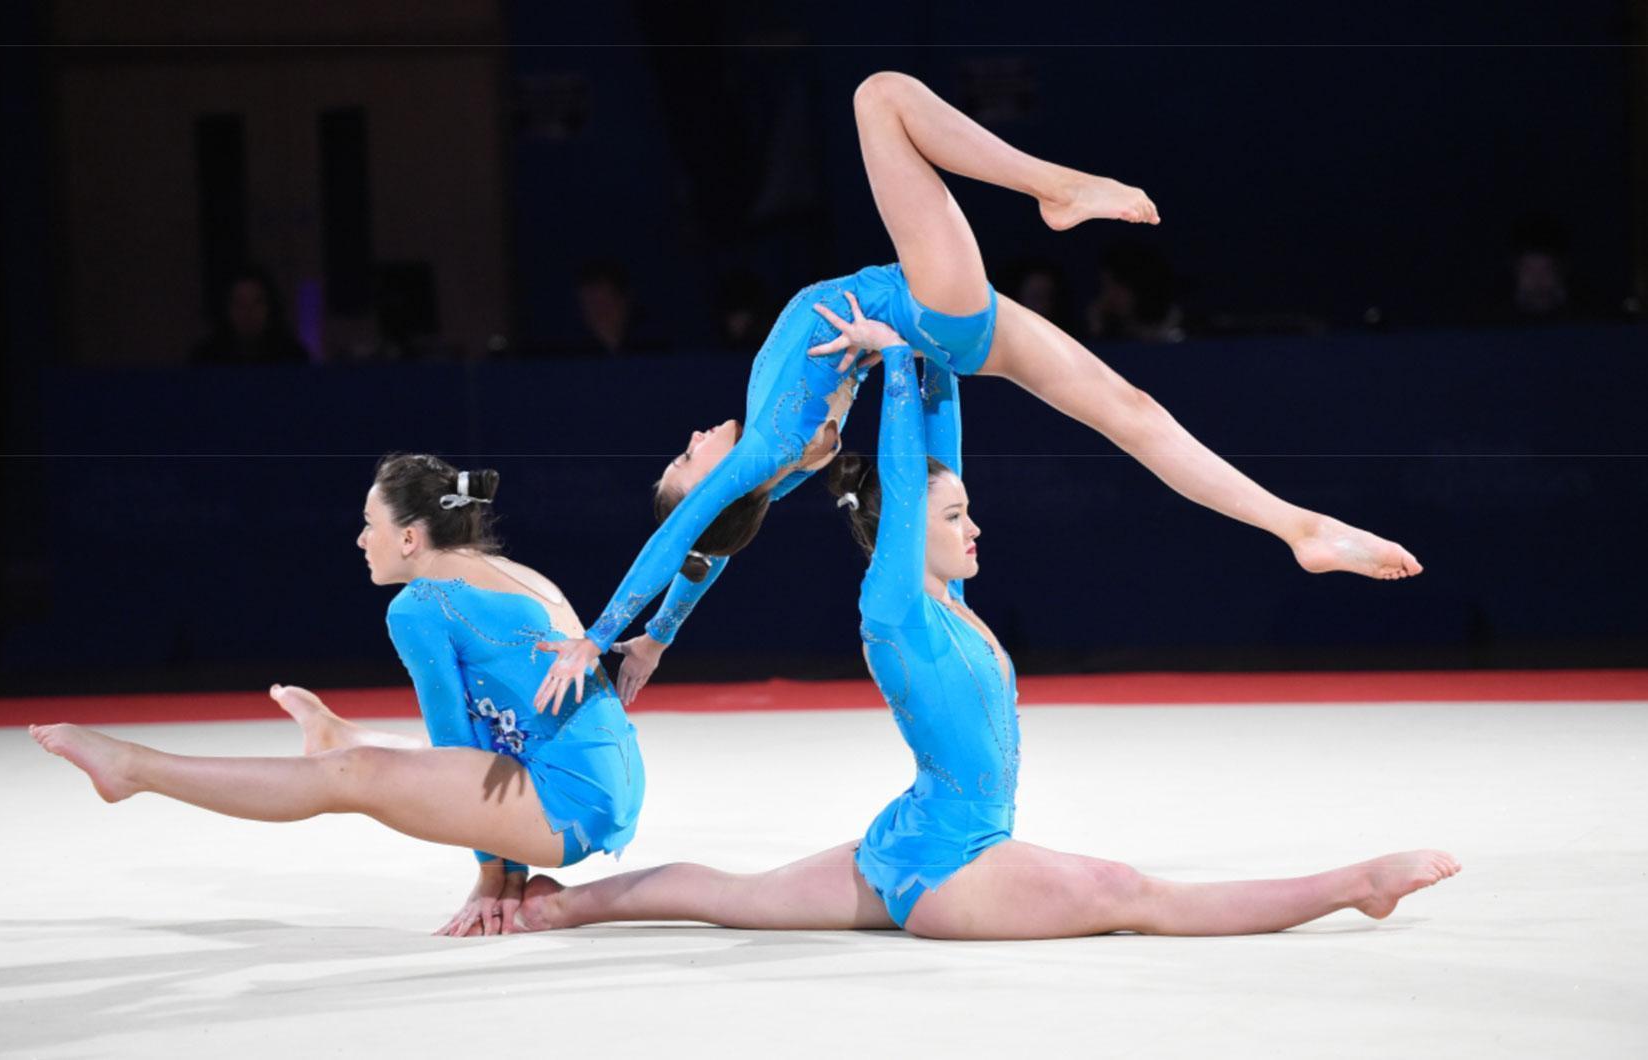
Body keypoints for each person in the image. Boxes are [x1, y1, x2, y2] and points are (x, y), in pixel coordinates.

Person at [511, 319, 1460, 939]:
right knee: (1131, 895)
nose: (975, 526)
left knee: (724, 895)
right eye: (956, 517)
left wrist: (922, 350)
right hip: (953, 869)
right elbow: (904, 459)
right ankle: (1355, 883)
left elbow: (933, 440)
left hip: (905, 837)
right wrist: (882, 363)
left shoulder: (945, 603)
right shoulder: (896, 608)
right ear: (907, 536)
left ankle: (564, 910)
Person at [537, 71, 1421, 712]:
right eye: (688, 458)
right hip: (928, 306)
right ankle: (1056, 187)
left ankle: (1298, 528)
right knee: (878, 96)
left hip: (948, 334)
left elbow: (703, 553)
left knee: (1135, 415)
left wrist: (660, 636)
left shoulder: (788, 467)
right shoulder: (768, 455)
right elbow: (688, 538)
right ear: (711, 486)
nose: (693, 438)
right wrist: (600, 630)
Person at [29, 454, 644, 937]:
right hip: (609, 785)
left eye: (369, 525)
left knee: (353, 776)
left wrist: (493, 876)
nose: (359, 539)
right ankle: (338, 733)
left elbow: (454, 750)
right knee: (375, 759)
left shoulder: (421, 606)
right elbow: (490, 741)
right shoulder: (513, 570)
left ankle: (137, 769)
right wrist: (507, 866)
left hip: (568, 807)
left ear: (408, 539)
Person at [190, 265, 310, 364]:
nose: (248, 312)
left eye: (257, 303)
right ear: (225, 309)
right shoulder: (206, 360)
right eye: (239, 303)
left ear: (270, 307)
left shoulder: (292, 358)